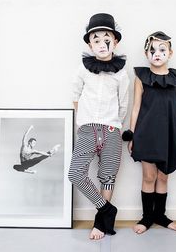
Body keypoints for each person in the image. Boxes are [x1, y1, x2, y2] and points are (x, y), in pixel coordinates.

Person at [122, 31, 176, 234]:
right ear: (146, 54)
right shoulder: (142, 77)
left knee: (163, 177)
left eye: (162, 49)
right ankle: (147, 218)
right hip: (146, 134)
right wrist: (132, 134)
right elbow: (136, 107)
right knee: (149, 176)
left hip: (170, 134)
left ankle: (160, 216)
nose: (157, 53)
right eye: (152, 50)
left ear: (170, 53)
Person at [68, 13, 129, 240]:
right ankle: (106, 209)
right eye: (96, 39)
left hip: (112, 130)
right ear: (89, 43)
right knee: (76, 173)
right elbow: (75, 95)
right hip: (87, 128)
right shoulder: (83, 70)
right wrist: (84, 120)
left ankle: (100, 223)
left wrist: (114, 124)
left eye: (106, 39)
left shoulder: (121, 75)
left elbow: (123, 105)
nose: (101, 44)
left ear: (115, 42)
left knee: (108, 176)